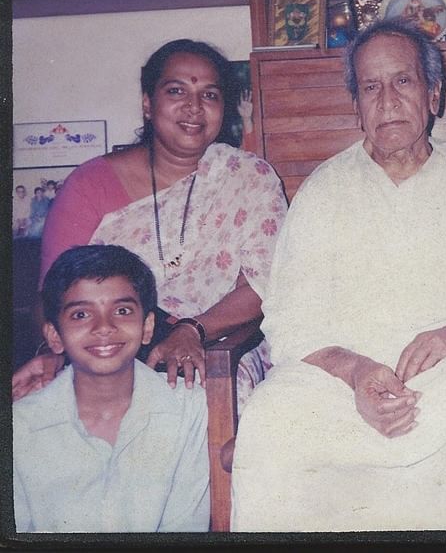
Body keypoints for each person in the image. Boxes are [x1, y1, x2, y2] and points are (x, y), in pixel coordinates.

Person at [231, 19, 446, 531]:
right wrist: (356, 372)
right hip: (339, 378)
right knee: (272, 413)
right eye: (370, 87)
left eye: (402, 81)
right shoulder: (324, 190)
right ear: (355, 106)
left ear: (434, 94)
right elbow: (289, 321)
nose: (386, 100)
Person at [12, 39, 288, 407]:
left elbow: (263, 284)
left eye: (210, 94)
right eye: (176, 90)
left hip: (221, 347)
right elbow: (52, 297)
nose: (193, 106)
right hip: (103, 347)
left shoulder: (250, 178)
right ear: (147, 103)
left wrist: (194, 329)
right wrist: (55, 352)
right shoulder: (89, 185)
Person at [14, 244, 209, 532]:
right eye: (81, 314)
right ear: (55, 336)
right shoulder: (21, 424)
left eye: (122, 310)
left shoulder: (187, 406)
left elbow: (186, 526)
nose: (103, 327)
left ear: (147, 327)